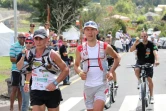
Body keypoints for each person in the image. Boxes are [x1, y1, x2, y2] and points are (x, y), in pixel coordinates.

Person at [74, 21, 120, 111]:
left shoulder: (105, 46)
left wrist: (111, 72)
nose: (90, 32)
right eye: (87, 30)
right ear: (84, 32)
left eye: (92, 30)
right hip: (88, 87)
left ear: (97, 31)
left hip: (101, 85)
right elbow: (76, 65)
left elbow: (117, 57)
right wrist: (79, 72)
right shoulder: (80, 48)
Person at [23, 29, 69, 111]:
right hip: (36, 89)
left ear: (47, 39)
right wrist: (26, 82)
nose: (38, 41)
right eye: (36, 39)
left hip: (51, 90)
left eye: (41, 39)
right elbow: (29, 69)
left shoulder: (53, 54)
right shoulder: (29, 53)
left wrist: (55, 83)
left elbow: (65, 69)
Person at [130, 31, 159, 104]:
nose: (143, 38)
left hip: (149, 63)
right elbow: (131, 50)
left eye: (144, 36)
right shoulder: (138, 44)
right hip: (140, 61)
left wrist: (157, 60)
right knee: (136, 69)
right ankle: (139, 80)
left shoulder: (151, 44)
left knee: (149, 79)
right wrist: (134, 44)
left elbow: (155, 53)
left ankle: (152, 96)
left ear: (147, 36)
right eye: (142, 36)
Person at [16, 34, 34, 111]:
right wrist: (23, 56)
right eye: (26, 42)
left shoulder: (35, 54)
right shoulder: (21, 54)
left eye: (30, 42)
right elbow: (19, 67)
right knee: (26, 103)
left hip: (35, 81)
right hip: (24, 81)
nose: (28, 44)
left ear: (33, 43)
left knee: (36, 103)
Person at [9, 33, 26, 111]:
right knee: (14, 89)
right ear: (18, 38)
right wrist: (20, 59)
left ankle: (20, 108)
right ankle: (11, 107)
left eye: (24, 38)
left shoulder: (25, 46)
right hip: (15, 70)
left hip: (23, 71)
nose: (23, 39)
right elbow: (12, 59)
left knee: (20, 90)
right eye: (21, 38)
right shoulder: (13, 46)